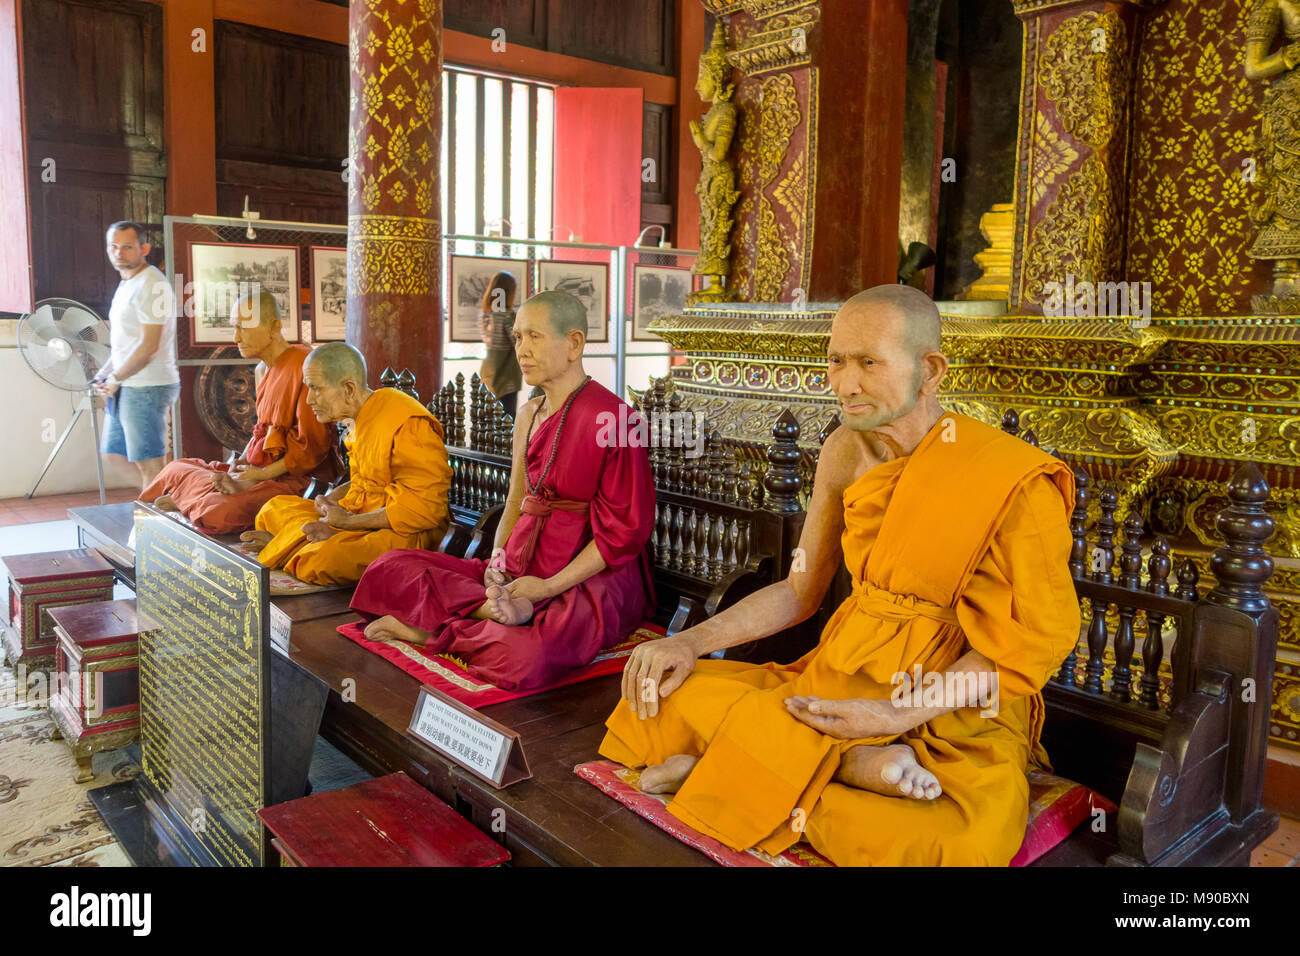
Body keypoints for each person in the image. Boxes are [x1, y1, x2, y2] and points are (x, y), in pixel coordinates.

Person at [598, 285, 1081, 866]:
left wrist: (895, 715)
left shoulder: (1010, 479)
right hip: (839, 676)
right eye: (836, 360)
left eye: (868, 363)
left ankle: (733, 772)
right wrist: (690, 640)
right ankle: (845, 766)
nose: (844, 384)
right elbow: (801, 586)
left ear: (929, 370)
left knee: (963, 844)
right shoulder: (844, 453)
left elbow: (1027, 648)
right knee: (659, 698)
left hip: (948, 707)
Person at [350, 291, 656, 691]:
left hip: (588, 576)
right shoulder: (528, 413)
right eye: (516, 338)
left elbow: (623, 533)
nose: (521, 350)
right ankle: (490, 611)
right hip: (521, 561)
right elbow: (516, 498)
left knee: (528, 657)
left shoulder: (617, 420)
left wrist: (546, 587)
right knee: (385, 569)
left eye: (534, 336)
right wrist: (498, 561)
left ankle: (430, 634)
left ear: (575, 343)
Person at [240, 342, 451, 586]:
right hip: (361, 516)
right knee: (273, 508)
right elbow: (366, 481)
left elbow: (422, 511)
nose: (309, 400)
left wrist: (347, 524)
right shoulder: (360, 416)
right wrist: (332, 499)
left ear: (349, 389)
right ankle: (293, 543)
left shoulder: (408, 424)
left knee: (321, 560)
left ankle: (285, 545)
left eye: (316, 389)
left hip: (403, 534)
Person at [141, 291, 336, 534]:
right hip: (258, 471)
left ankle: (188, 500)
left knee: (219, 511)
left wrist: (260, 476)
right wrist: (239, 468)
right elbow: (260, 433)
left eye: (242, 328)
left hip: (294, 479)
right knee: (175, 469)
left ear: (274, 327)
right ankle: (192, 499)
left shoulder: (304, 365)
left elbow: (312, 450)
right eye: (234, 328)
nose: (235, 338)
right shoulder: (260, 369)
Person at [92, 221, 179, 490]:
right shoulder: (127, 282)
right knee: (114, 455)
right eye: (113, 247)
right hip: (127, 383)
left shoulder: (152, 283)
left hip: (147, 385)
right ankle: (165, 499)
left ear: (144, 248)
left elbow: (148, 345)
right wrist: (106, 371)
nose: (119, 253)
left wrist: (116, 376)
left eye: (127, 247)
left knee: (150, 464)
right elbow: (127, 342)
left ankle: (161, 511)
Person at [477, 271, 522, 417]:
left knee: (488, 422)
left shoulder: (484, 315)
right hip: (506, 377)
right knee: (507, 422)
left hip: (488, 373)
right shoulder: (508, 316)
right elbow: (519, 342)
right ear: (508, 292)